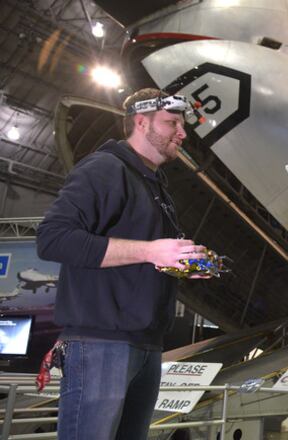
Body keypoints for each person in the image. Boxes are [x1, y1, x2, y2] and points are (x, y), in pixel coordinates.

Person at [37, 88, 207, 440]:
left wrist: (182, 262)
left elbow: (147, 256)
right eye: (172, 123)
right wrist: (150, 251)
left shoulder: (157, 187)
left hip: (147, 345)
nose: (182, 133)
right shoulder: (104, 169)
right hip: (102, 345)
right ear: (141, 123)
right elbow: (53, 238)